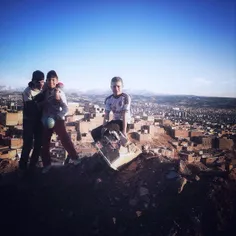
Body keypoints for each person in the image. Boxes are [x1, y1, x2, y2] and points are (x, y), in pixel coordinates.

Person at [41, 70, 80, 173]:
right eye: (49, 80)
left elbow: (66, 108)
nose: (51, 82)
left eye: (53, 80)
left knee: (64, 139)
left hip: (58, 119)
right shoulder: (45, 91)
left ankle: (75, 158)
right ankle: (46, 164)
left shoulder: (60, 93)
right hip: (48, 120)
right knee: (44, 142)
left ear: (56, 80)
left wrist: (59, 115)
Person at [91, 76, 131, 146]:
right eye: (114, 86)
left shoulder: (125, 97)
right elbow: (106, 116)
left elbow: (125, 115)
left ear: (122, 86)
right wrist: (103, 127)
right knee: (95, 132)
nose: (116, 89)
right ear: (111, 87)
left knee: (108, 130)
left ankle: (117, 145)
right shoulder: (108, 99)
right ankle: (103, 149)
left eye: (118, 86)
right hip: (115, 122)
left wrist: (124, 131)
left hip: (124, 123)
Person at [19, 70, 45, 174]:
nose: (41, 84)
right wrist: (43, 103)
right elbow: (31, 109)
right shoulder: (27, 92)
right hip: (29, 121)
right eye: (39, 82)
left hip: (39, 121)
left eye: (42, 82)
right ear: (33, 81)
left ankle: (32, 166)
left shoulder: (42, 89)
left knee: (38, 144)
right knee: (28, 145)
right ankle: (22, 168)